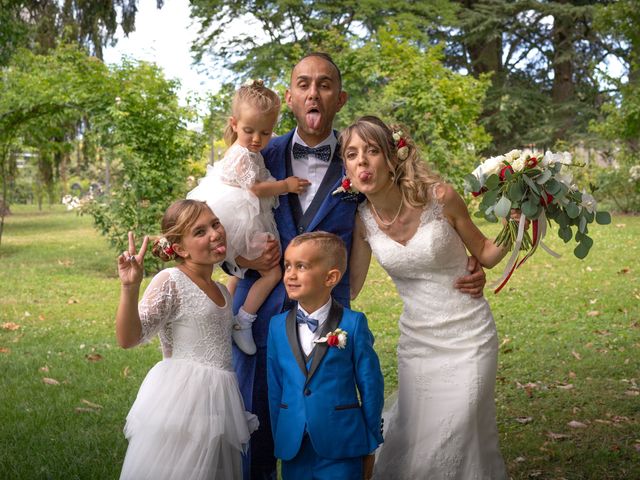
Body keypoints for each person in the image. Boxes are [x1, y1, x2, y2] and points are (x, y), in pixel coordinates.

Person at [227, 53, 487, 480]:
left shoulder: (360, 162)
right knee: (257, 420)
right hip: (257, 319)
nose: (314, 92)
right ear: (290, 98)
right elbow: (214, 224)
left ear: (340, 97)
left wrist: (464, 260)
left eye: (325, 84)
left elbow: (411, 214)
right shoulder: (257, 154)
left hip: (331, 322)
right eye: (304, 84)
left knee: (331, 422)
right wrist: (238, 260)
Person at [343, 116, 509, 479]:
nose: (362, 162)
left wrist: (522, 220)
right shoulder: (362, 219)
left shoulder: (441, 197)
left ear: (392, 156)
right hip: (417, 341)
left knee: (459, 429)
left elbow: (485, 252)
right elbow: (350, 287)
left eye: (372, 151)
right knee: (417, 435)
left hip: (469, 335)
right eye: (352, 155)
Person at [115, 199, 259, 480]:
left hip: (221, 397)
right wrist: (130, 288)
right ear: (179, 248)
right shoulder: (172, 280)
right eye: (200, 232)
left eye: (215, 224)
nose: (215, 234)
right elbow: (128, 338)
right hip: (185, 399)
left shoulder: (222, 290)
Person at [187, 80, 310, 355]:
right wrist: (286, 185)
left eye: (265, 133)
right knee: (272, 271)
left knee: (246, 273)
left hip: (244, 213)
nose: (257, 139)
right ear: (233, 123)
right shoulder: (242, 155)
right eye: (249, 131)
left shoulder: (249, 151)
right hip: (238, 214)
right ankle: (244, 320)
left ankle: (227, 313)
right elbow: (255, 188)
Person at [267, 232, 384, 480]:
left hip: (343, 443)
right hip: (294, 446)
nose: (290, 274)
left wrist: (370, 438)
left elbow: (370, 385)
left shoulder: (353, 324)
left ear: (330, 277)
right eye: (287, 266)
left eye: (301, 266)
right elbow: (275, 387)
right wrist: (281, 435)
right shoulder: (276, 326)